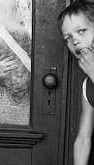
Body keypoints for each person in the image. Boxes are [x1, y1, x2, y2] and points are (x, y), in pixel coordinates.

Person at [58, 0, 94, 164]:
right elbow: (83, 139)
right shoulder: (88, 84)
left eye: (81, 31)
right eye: (68, 37)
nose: (75, 41)